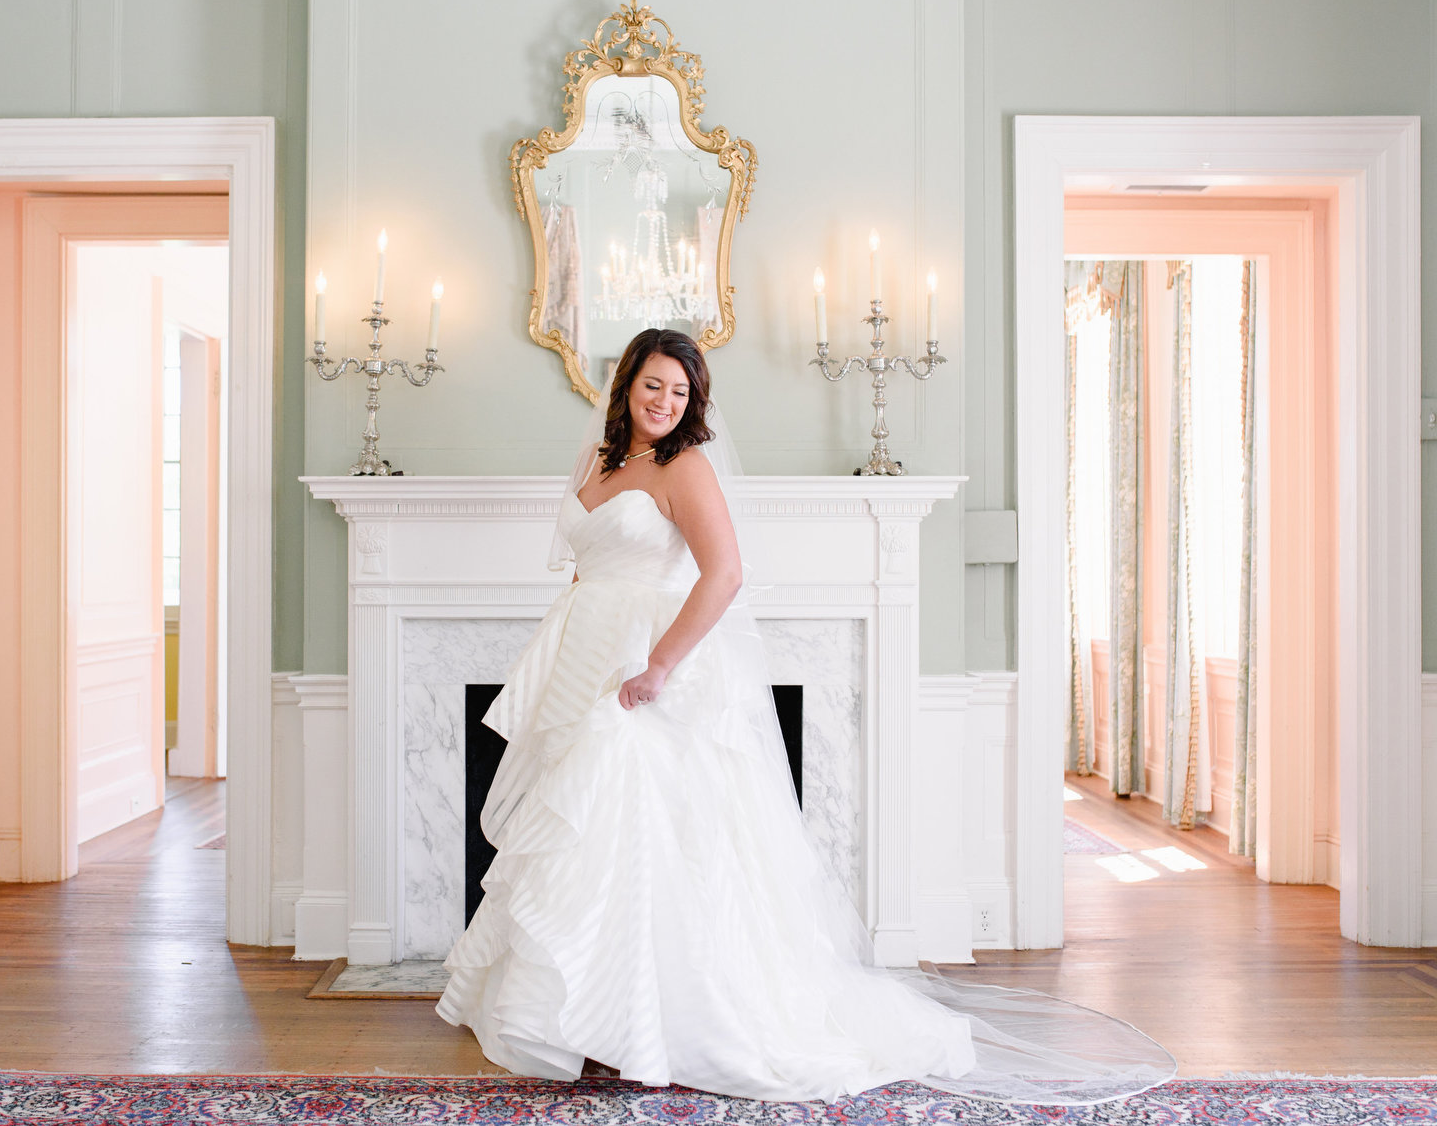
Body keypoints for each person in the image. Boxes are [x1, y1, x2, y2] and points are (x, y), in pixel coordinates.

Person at [437, 328, 1174, 1104]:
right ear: (626, 385)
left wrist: (659, 665)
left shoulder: (685, 467)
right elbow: (588, 564)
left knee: (647, 838)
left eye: (680, 392)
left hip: (646, 664)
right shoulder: (600, 461)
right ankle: (582, 1016)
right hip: (584, 654)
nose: (664, 402)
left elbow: (723, 576)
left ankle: (641, 1022)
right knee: (583, 833)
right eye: (654, 385)